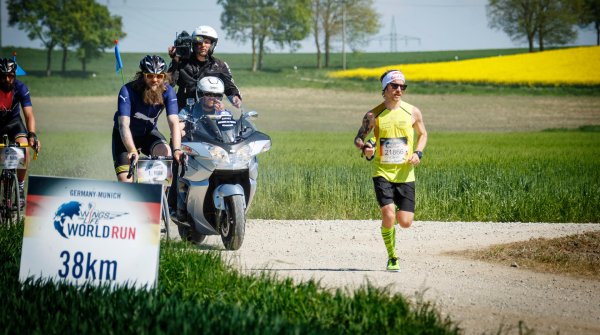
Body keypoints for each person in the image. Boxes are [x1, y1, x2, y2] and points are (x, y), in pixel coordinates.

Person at [354, 69, 428, 272]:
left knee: (404, 222)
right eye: (394, 86)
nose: (398, 90)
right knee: (388, 215)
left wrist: (418, 153)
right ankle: (392, 256)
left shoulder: (413, 112)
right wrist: (365, 147)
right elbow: (359, 138)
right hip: (382, 171)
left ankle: (395, 237)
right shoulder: (373, 114)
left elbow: (423, 134)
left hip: (405, 173)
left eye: (402, 86)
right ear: (384, 89)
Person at [112, 55, 183, 182]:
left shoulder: (168, 91)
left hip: (148, 134)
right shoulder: (127, 91)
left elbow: (174, 123)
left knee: (166, 151)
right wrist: (132, 150)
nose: (155, 80)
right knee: (126, 182)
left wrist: (177, 149)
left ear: (164, 76)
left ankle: (161, 197)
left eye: (159, 76)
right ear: (142, 76)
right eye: (150, 76)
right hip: (124, 137)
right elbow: (123, 125)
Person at [172, 76, 233, 221]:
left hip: (217, 152)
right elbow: (179, 126)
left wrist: (222, 115)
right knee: (182, 168)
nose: (214, 98)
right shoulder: (190, 110)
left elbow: (231, 131)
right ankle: (181, 204)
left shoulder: (224, 112)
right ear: (200, 94)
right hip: (195, 150)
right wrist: (180, 131)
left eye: (218, 95)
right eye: (209, 94)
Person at [168, 25, 242, 110]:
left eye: (206, 42)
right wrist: (175, 60)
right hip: (185, 111)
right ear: (194, 44)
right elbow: (169, 83)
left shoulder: (219, 65)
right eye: (199, 42)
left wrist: (235, 97)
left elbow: (229, 86)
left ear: (212, 44)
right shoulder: (181, 62)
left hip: (210, 111)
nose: (203, 45)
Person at [0, 57, 40, 206]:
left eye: (10, 75)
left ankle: (21, 187)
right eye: (3, 76)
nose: (7, 79)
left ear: (14, 75)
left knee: (24, 149)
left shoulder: (20, 88)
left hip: (14, 123)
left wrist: (32, 134)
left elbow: (29, 114)